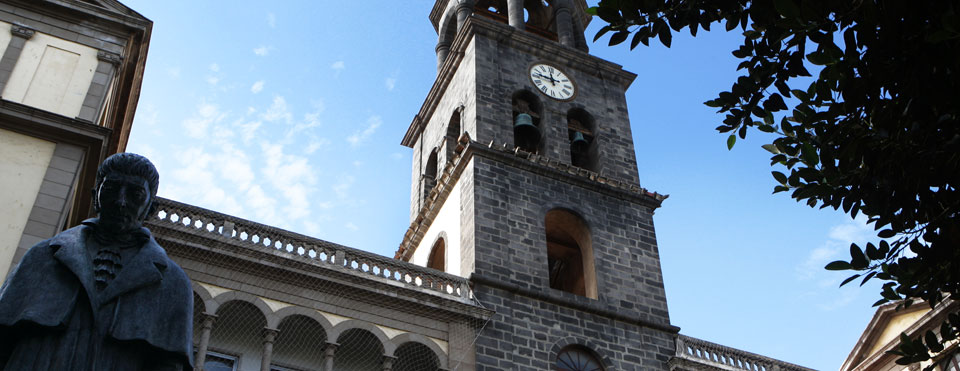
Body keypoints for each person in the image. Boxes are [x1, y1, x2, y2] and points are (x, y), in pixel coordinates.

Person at [0, 153, 193, 370]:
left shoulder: (171, 282)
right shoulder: (42, 257)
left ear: (150, 207)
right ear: (95, 197)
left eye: (135, 194)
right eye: (111, 189)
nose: (121, 202)